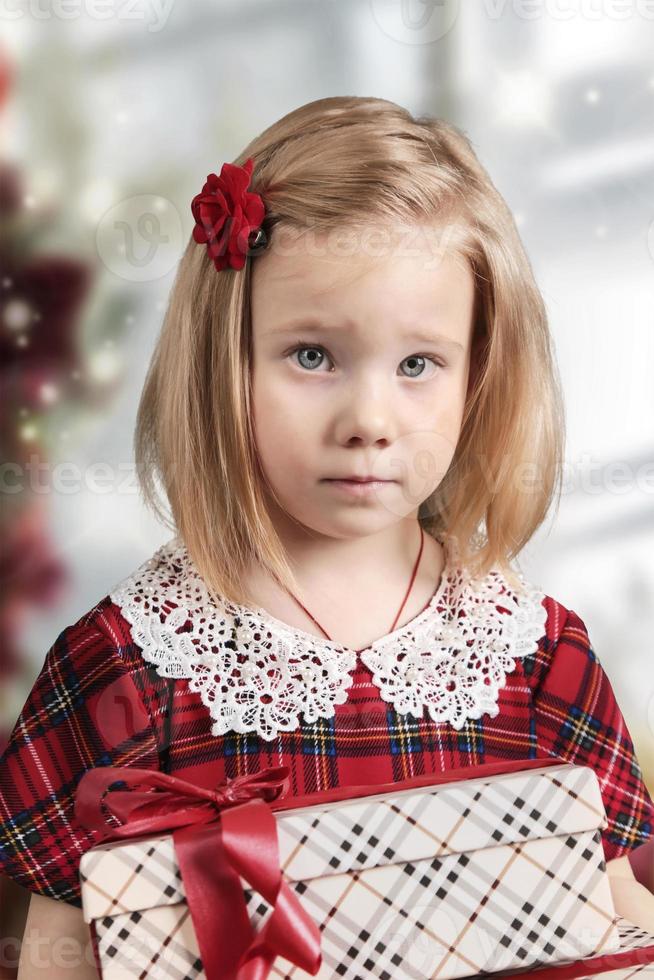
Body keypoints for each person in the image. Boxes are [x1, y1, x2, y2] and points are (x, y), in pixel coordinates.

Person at [2, 96, 653, 978]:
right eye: (312, 355)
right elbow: (52, 956)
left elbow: (625, 933)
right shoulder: (122, 668)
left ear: (480, 376)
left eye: (418, 364)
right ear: (222, 359)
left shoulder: (539, 661)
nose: (369, 420)